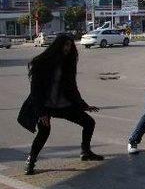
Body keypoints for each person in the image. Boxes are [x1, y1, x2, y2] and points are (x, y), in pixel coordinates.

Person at [18, 34, 103, 175]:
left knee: (89, 122)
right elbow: (36, 91)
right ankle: (30, 161)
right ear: (57, 45)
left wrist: (83, 105)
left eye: (70, 45)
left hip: (63, 105)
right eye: (65, 45)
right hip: (45, 106)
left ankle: (85, 152)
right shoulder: (42, 63)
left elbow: (72, 88)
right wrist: (41, 113)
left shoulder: (68, 63)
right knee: (44, 132)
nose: (67, 48)